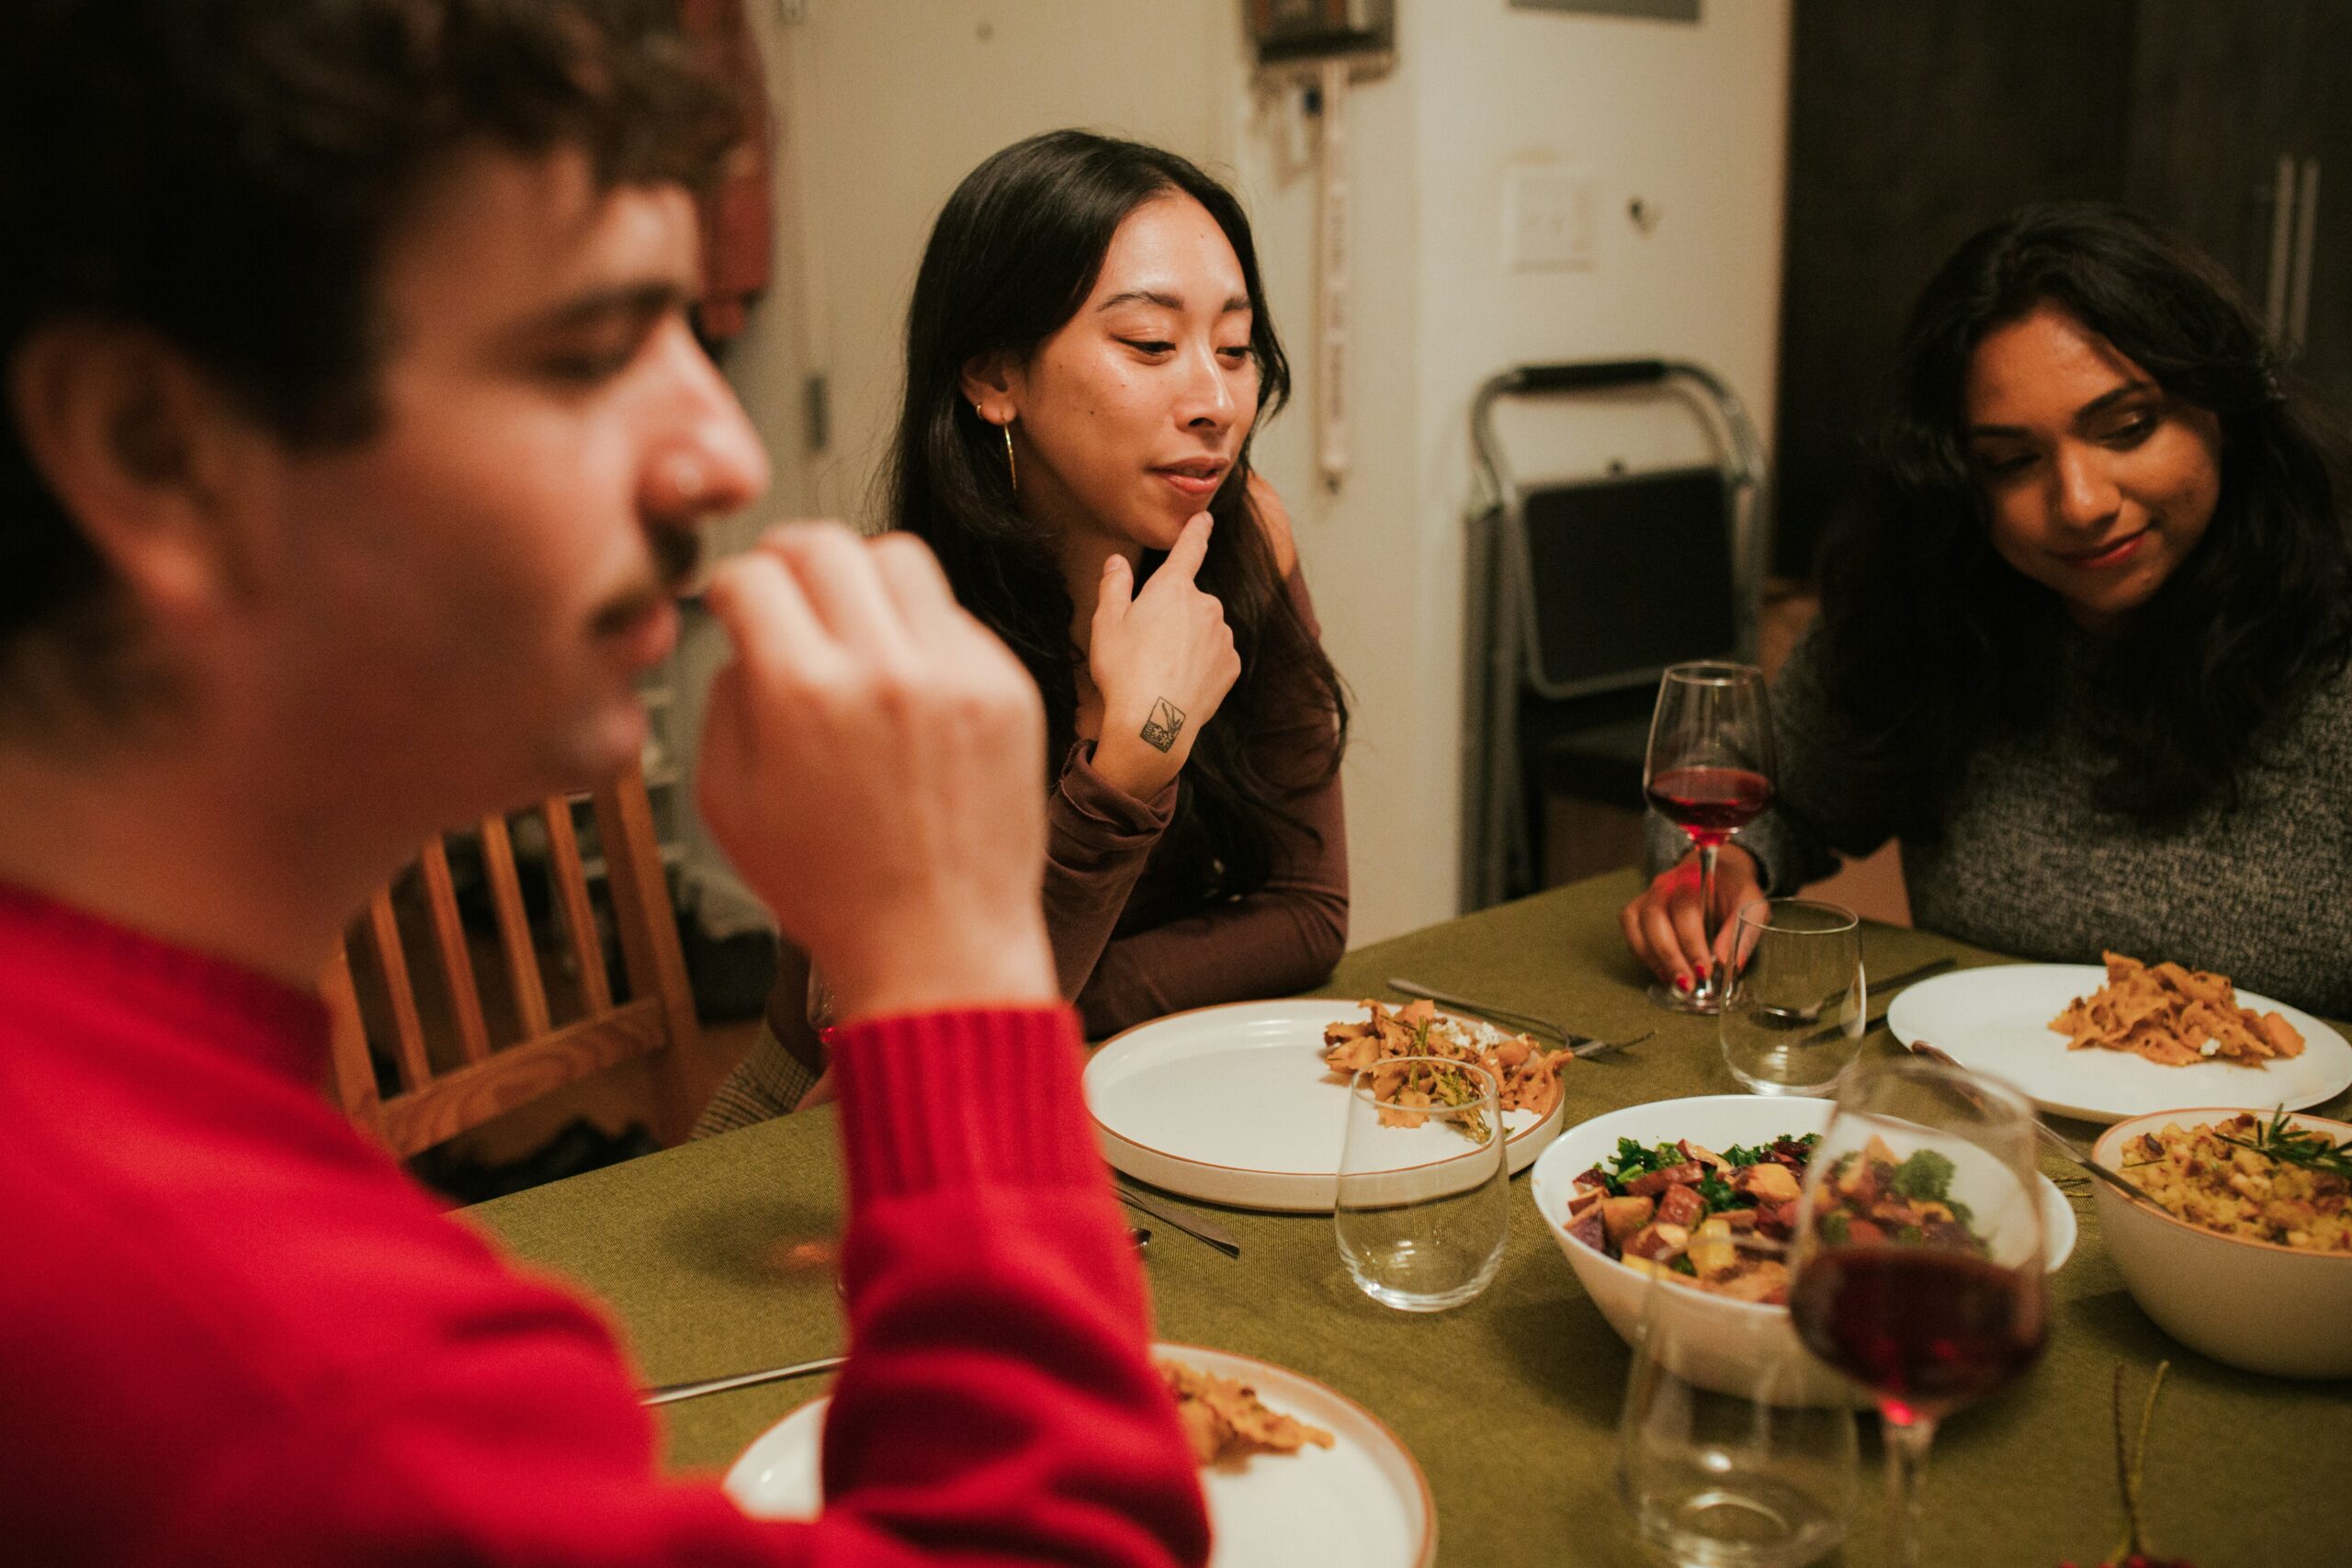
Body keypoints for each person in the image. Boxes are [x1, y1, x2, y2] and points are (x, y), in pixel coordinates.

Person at [0, 5, 1208, 1565]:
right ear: (156, 449)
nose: (726, 454)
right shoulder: (284, 1376)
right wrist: (952, 958)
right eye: (586, 353)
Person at [701, 130, 1348, 1130]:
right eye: (1150, 345)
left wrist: (1031, 1007)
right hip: (826, 1138)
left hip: (1100, 1091)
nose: (1217, 402)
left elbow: (1308, 914)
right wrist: (1129, 767)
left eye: (1234, 349)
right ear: (995, 376)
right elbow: (889, 1060)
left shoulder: (1246, 543)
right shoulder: (896, 634)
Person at [1622, 202, 2352, 1017]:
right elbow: (1763, 794)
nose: (2080, 503)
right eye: (2012, 461)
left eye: (2127, 427)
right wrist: (1721, 865)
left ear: (2227, 410)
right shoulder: (1935, 603)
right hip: (1968, 1091)